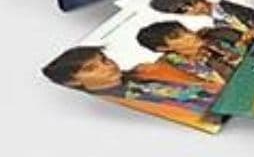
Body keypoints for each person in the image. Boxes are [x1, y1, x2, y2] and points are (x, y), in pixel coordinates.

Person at [42, 46, 220, 114]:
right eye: (91, 68)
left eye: (104, 59)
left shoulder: (148, 70)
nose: (108, 66)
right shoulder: (108, 108)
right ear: (72, 82)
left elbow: (208, 82)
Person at [136, 21, 246, 82]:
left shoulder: (216, 34)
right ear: (163, 48)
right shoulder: (174, 70)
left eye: (185, 30)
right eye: (176, 36)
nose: (190, 35)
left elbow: (247, 40)